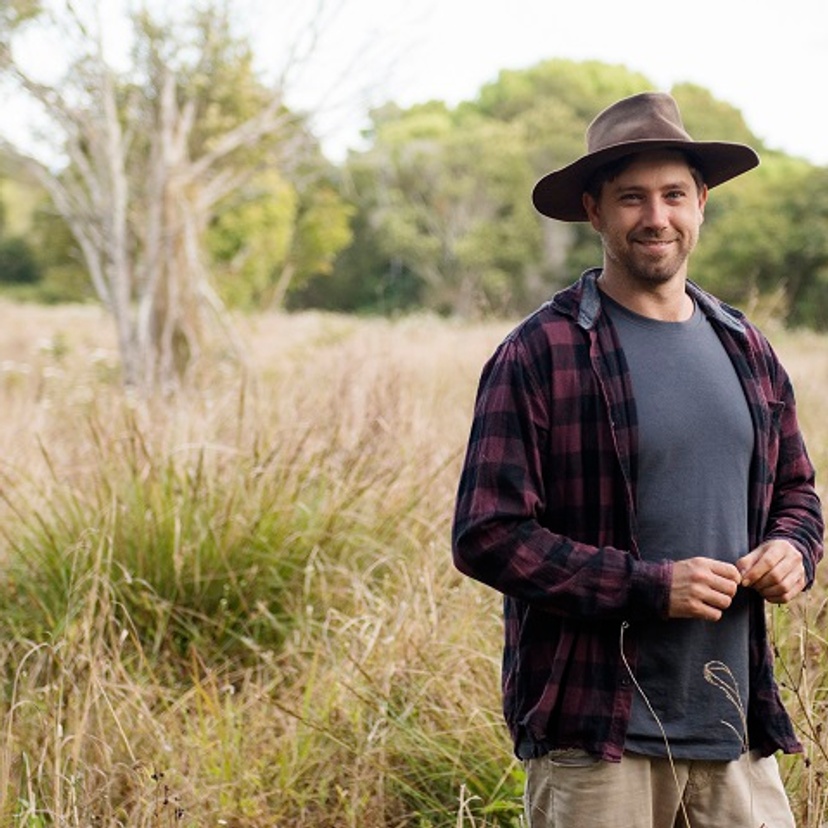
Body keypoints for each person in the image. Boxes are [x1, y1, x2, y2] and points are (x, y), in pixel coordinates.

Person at [451, 92, 824, 828]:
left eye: (673, 195)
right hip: (597, 740)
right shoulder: (540, 353)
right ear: (595, 211)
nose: (656, 217)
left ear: (702, 202)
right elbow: (487, 534)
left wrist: (793, 550)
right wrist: (651, 586)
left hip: (734, 728)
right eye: (631, 198)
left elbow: (798, 491)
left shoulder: (744, 346)